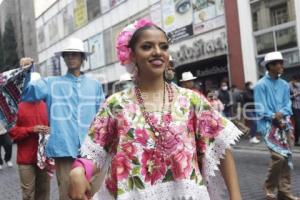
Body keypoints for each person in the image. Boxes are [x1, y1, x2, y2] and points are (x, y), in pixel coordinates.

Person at [68, 19, 242, 200]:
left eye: (163, 46)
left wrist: (235, 196)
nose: (158, 52)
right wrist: (78, 170)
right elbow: (96, 152)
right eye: (147, 47)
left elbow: (220, 145)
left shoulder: (191, 100)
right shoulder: (115, 104)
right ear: (132, 55)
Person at [19, 37, 105, 200]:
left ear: (82, 58)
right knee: (67, 194)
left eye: (75, 54)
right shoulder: (50, 83)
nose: (71, 57)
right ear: (64, 58)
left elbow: (102, 118)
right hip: (64, 148)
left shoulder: (94, 85)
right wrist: (25, 72)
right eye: (67, 54)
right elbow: (25, 93)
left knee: (93, 194)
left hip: (91, 149)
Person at [254, 51, 299, 200]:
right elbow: (260, 107)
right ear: (270, 66)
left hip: (284, 125)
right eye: (278, 63)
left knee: (286, 159)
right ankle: (268, 186)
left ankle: (284, 192)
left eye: (281, 62)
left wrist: (281, 113)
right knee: (278, 157)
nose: (282, 65)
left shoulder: (284, 84)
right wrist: (273, 116)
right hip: (268, 126)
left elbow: (288, 104)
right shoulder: (260, 85)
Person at [9, 72, 51, 200]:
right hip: (26, 158)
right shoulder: (17, 106)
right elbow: (12, 132)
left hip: (43, 156)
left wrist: (50, 130)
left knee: (44, 192)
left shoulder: (46, 104)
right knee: (28, 194)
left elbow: (54, 126)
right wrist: (31, 130)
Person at [289, 74, 300, 146]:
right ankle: (296, 141)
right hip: (294, 106)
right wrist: (295, 95)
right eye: (295, 81)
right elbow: (286, 97)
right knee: (298, 123)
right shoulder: (288, 85)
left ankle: (297, 140)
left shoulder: (299, 84)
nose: (297, 82)